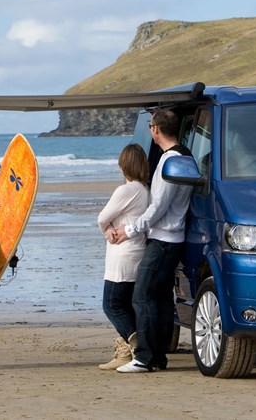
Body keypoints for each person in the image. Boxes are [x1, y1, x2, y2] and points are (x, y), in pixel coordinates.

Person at [111, 108, 193, 373]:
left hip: (164, 240)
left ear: (155, 129)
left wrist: (130, 229)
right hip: (171, 238)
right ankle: (157, 358)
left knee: (142, 296)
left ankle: (145, 358)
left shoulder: (171, 161)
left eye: (149, 126)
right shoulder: (185, 156)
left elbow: (158, 207)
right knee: (159, 298)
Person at [97, 144, 150, 370]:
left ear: (124, 165)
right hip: (137, 250)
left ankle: (135, 342)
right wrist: (109, 228)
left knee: (111, 304)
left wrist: (106, 229)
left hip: (123, 254)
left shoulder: (127, 190)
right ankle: (125, 352)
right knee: (126, 304)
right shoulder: (146, 190)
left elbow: (102, 217)